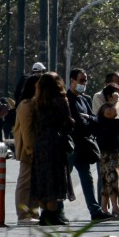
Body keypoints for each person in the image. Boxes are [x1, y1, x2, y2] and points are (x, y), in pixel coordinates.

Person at [31, 72, 78, 225]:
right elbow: (67, 121)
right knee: (55, 178)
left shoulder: (37, 102)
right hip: (55, 143)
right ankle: (52, 214)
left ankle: (44, 213)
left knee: (43, 178)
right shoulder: (60, 100)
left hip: (41, 143)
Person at [67, 68, 106, 221]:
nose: (84, 83)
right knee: (65, 178)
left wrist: (88, 117)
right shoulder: (67, 99)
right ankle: (56, 209)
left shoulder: (84, 99)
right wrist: (88, 119)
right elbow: (78, 123)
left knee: (87, 178)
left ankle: (95, 211)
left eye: (85, 80)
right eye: (81, 80)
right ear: (72, 81)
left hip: (84, 145)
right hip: (71, 146)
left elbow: (96, 120)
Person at [95, 85, 119, 218]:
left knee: (108, 179)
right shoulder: (106, 108)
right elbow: (112, 113)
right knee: (113, 178)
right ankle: (116, 209)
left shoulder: (115, 106)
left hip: (116, 150)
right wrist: (117, 100)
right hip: (109, 151)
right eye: (118, 94)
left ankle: (104, 207)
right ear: (110, 96)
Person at [11, 73, 40, 223]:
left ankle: (33, 213)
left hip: (35, 149)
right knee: (25, 182)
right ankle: (23, 215)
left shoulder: (35, 103)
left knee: (34, 183)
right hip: (28, 150)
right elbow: (27, 130)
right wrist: (31, 149)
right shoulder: (26, 104)